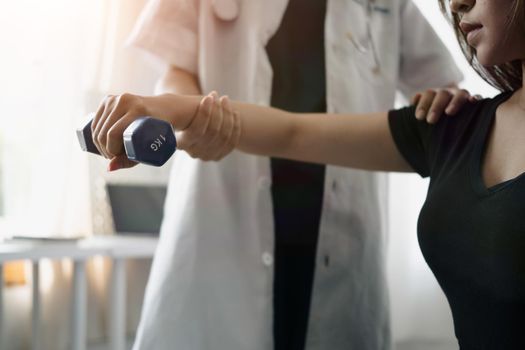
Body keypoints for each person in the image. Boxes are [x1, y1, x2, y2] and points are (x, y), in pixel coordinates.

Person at [93, 0, 525, 347]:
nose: (459, 6)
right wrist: (183, 115)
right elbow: (283, 129)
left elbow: (445, 88)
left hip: (342, 248)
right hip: (224, 235)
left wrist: (443, 101)